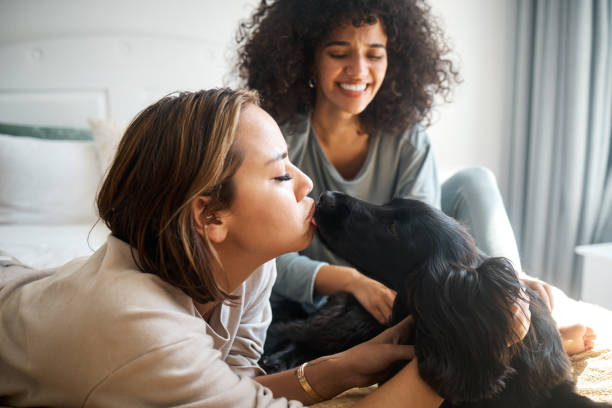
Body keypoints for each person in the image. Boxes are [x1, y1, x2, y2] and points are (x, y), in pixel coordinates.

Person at [0, 88, 444, 407]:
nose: (307, 183)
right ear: (210, 216)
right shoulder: (144, 330)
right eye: (280, 176)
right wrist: (450, 371)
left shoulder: (249, 269)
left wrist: (343, 367)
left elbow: (238, 385)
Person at [236, 0, 595, 354]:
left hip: (398, 275)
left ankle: (512, 301)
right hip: (326, 291)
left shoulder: (408, 137)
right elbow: (262, 254)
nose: (359, 70)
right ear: (307, 59)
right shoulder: (279, 140)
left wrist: (499, 274)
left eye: (374, 54)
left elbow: (430, 242)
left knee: (474, 180)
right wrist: (350, 280)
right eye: (339, 53)